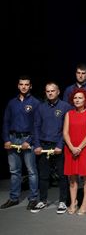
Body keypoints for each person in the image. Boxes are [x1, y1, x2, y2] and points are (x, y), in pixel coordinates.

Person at [30, 82, 71, 214]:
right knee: (43, 175)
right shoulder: (40, 107)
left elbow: (66, 129)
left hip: (59, 146)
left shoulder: (65, 107)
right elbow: (35, 127)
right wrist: (37, 145)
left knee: (62, 175)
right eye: (48, 91)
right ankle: (42, 200)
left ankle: (63, 202)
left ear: (58, 91)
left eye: (53, 91)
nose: (50, 93)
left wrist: (60, 145)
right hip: (43, 146)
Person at [1, 76, 40, 210]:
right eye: (21, 84)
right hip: (13, 139)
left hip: (27, 139)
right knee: (14, 171)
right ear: (18, 86)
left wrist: (29, 141)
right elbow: (5, 122)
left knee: (31, 171)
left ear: (30, 86)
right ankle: (14, 198)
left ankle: (33, 198)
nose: (24, 86)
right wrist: (6, 139)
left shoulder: (35, 103)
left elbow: (37, 125)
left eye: (26, 84)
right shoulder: (12, 103)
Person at [63, 88, 86, 215]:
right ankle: (73, 202)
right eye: (75, 98)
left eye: (80, 98)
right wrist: (72, 147)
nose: (77, 100)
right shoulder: (68, 114)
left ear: (85, 100)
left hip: (85, 148)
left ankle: (84, 203)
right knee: (72, 177)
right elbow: (65, 133)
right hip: (70, 149)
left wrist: (79, 147)